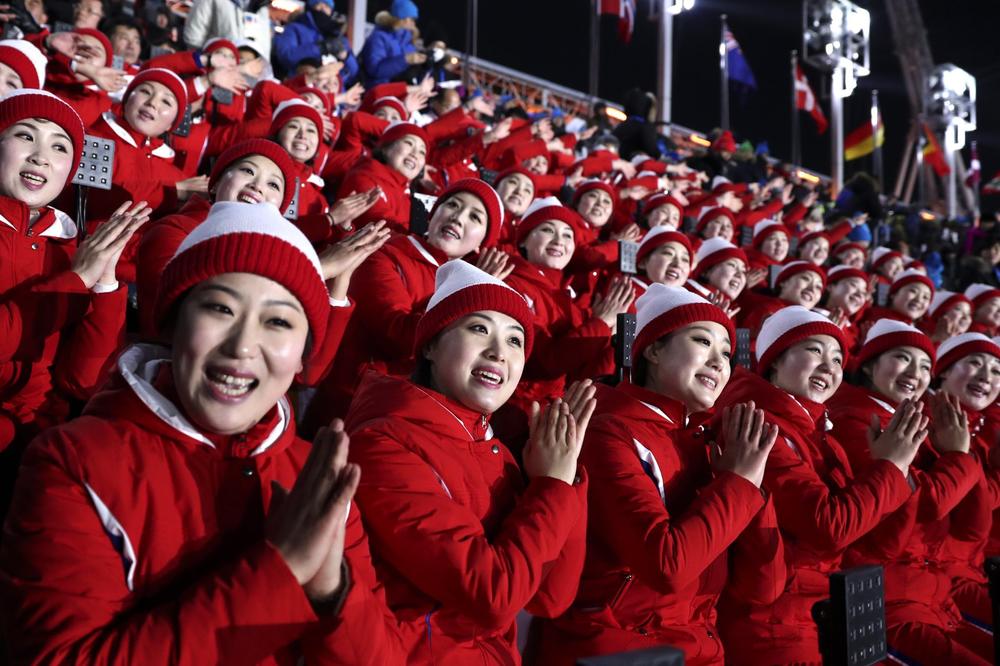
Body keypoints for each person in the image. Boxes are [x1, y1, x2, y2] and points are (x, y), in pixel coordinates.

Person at [0, 203, 405, 663]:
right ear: (173, 324)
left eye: (278, 321)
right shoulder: (74, 461)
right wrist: (282, 570)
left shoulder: (316, 478)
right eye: (219, 308)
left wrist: (331, 591)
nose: (242, 346)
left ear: (301, 357)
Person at [345, 258, 591, 664]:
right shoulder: (383, 443)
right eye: (479, 329)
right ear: (430, 344)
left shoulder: (496, 448)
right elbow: (492, 596)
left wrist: (564, 476)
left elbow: (551, 598)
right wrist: (551, 487)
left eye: (515, 341)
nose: (499, 353)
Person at [535, 285, 785, 664]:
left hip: (699, 644)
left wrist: (751, 482)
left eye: (727, 353)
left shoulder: (708, 442)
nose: (719, 362)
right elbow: (665, 566)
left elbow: (763, 587)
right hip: (619, 646)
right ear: (651, 349)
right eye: (703, 340)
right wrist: (739, 483)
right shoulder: (607, 432)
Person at [715, 306, 922, 664]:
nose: (830, 367)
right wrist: (891, 466)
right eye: (815, 350)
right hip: (776, 625)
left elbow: (882, 543)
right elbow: (829, 527)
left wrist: (896, 469)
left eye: (839, 359)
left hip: (828, 614)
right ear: (775, 360)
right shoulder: (758, 426)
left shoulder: (824, 435)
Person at [828, 320, 993, 663]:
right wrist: (960, 457)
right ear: (870, 365)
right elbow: (928, 505)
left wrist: (962, 456)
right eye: (903, 358)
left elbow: (972, 526)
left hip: (936, 595)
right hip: (890, 600)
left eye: (923, 366)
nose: (915, 373)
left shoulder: (924, 424)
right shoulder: (855, 420)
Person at [0, 90, 145, 460]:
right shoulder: (76, 264)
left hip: (39, 437)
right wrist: (75, 282)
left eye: (60, 147)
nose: (41, 157)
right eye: (25, 135)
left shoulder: (69, 245)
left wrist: (105, 284)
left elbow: (81, 380)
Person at [304, 178, 507, 429]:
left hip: (411, 420)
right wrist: (467, 294)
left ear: (481, 243)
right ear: (432, 215)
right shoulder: (386, 251)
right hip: (348, 411)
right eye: (452, 205)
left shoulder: (468, 286)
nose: (458, 217)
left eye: (475, 217)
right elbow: (396, 335)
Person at [359, 0, 423, 85]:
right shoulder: (378, 37)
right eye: (412, 19)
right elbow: (375, 70)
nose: (414, 23)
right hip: (379, 90)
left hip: (401, 89)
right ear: (402, 18)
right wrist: (405, 60)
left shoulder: (408, 39)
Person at [183, 0, 272, 60]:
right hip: (214, 72)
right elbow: (192, 36)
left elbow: (264, 46)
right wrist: (212, 60)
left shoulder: (262, 6)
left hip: (249, 75)